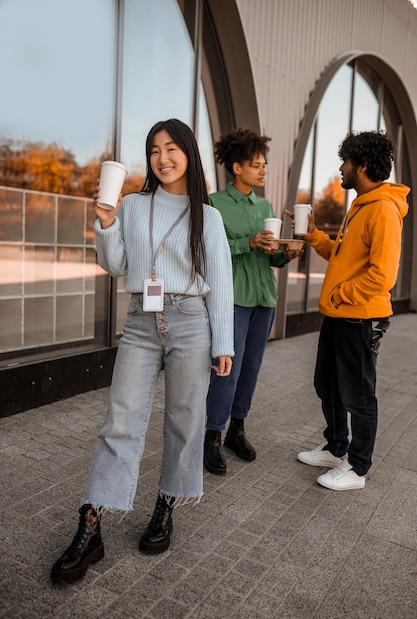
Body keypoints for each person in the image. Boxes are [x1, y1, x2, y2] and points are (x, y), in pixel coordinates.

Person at [50, 118, 234, 583]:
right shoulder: (132, 204)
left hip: (192, 322)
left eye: (172, 148)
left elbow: (222, 286)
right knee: (120, 419)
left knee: (184, 420)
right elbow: (117, 265)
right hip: (140, 321)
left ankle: (166, 504)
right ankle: (90, 526)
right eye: (154, 150)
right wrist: (107, 224)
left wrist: (224, 342)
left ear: (189, 154)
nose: (163, 157)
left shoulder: (207, 217)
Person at [295, 130, 410, 491]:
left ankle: (357, 468)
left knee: (358, 395)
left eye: (344, 162)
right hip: (341, 314)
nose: (340, 169)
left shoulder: (384, 210)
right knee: (326, 384)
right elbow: (343, 257)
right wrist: (314, 236)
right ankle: (335, 447)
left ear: (360, 165)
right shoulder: (360, 206)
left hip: (361, 317)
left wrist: (342, 292)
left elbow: (383, 275)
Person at [204, 128, 303, 475]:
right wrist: (247, 242)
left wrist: (286, 253)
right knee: (225, 369)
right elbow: (207, 253)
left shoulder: (265, 205)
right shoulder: (214, 204)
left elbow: (270, 258)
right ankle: (212, 435)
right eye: (255, 164)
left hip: (264, 297)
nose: (262, 170)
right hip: (232, 298)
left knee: (251, 368)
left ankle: (237, 429)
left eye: (264, 164)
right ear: (236, 167)